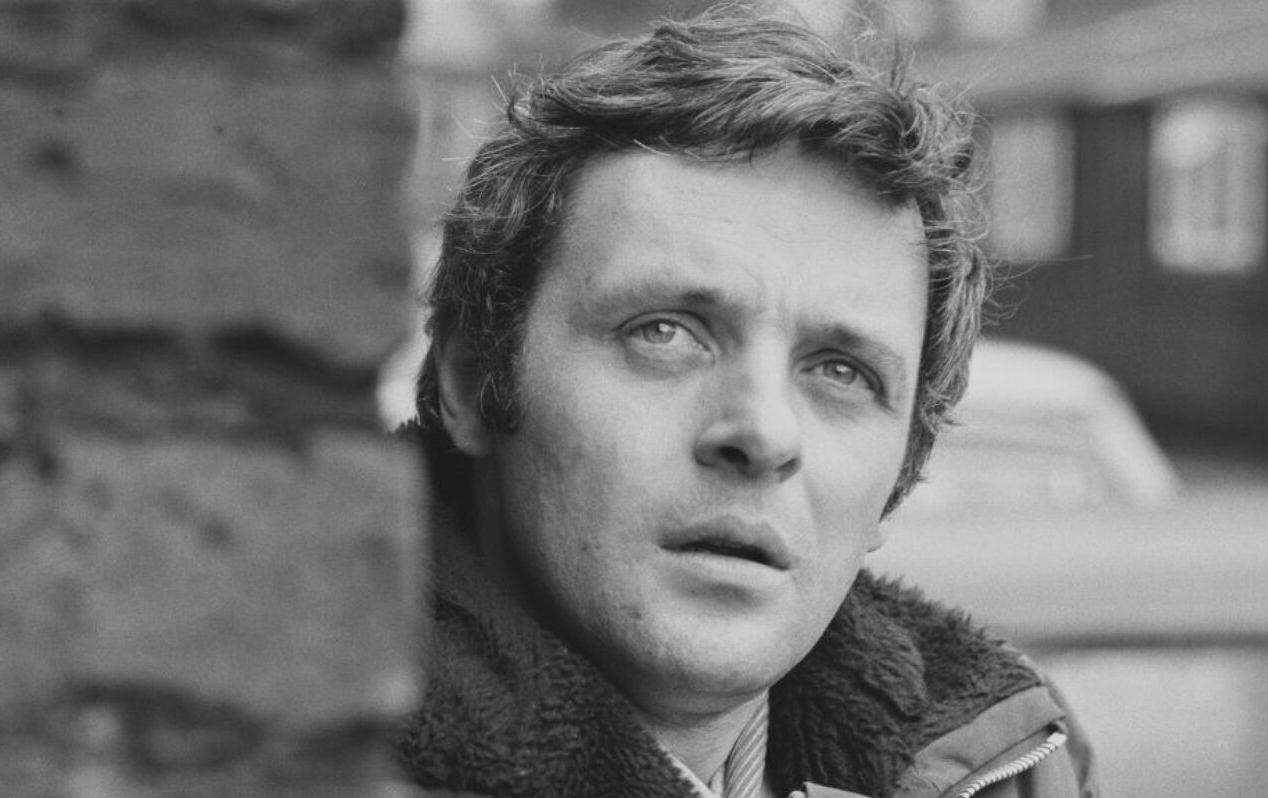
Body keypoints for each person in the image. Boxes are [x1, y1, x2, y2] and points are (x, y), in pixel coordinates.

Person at [396, 8, 1098, 798]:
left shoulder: (1010, 767)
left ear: (903, 471)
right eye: (664, 332)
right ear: (472, 378)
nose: (764, 432)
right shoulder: (301, 746)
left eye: (842, 372)